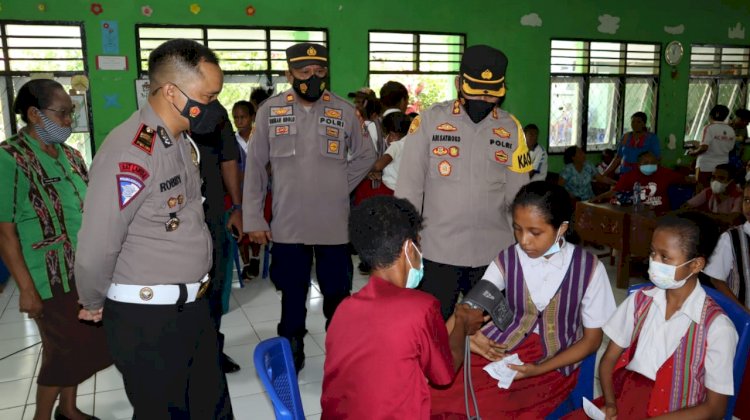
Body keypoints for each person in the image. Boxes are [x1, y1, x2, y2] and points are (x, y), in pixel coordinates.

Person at [75, 39, 233, 418]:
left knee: (212, 409)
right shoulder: (130, 153)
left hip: (192, 307)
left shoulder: (179, 140)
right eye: (207, 97)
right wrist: (93, 301)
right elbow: (97, 244)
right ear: (170, 91)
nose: (214, 107)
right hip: (149, 320)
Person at [430, 182, 617, 419]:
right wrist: (455, 336)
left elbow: (592, 341)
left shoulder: (589, 269)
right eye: (518, 229)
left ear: (561, 228)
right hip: (502, 346)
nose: (524, 241)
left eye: (535, 232)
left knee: (488, 407)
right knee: (438, 391)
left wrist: (538, 369)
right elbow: (469, 306)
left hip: (552, 362)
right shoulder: (509, 258)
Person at [243, 42, 376, 372]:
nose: (312, 79)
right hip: (288, 222)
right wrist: (254, 217)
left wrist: (336, 186)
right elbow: (256, 166)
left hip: (333, 222)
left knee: (337, 291)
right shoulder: (270, 111)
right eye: (304, 73)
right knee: (292, 291)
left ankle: (341, 346)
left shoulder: (344, 110)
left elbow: (365, 155)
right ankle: (292, 346)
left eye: (319, 72)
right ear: (289, 74)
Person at [396, 44, 533, 320]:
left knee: (494, 329)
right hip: (437, 252)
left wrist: (524, 245)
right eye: (477, 90)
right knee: (434, 329)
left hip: (493, 255)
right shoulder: (430, 121)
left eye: (490, 92)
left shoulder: (511, 129)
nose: (483, 98)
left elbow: (519, 196)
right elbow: (409, 187)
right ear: (460, 83)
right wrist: (407, 239)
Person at [0, 79, 111, 420]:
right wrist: (27, 290)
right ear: (34, 114)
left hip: (82, 270)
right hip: (47, 278)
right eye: (62, 114)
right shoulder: (10, 159)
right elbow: (5, 232)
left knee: (80, 347)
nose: (69, 121)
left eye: (70, 112)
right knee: (64, 351)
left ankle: (69, 408)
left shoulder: (72, 156)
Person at [321, 196, 485, 419]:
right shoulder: (420, 308)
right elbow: (443, 376)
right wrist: (462, 325)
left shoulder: (344, 309)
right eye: (419, 242)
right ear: (409, 248)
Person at [574, 213, 738, 419]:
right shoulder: (640, 301)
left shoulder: (717, 328)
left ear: (696, 265)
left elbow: (714, 409)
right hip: (627, 398)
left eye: (665, 257)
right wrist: (610, 403)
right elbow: (608, 360)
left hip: (679, 413)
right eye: (652, 253)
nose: (653, 262)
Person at [191, 107, 244, 374]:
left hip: (213, 216)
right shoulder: (163, 115)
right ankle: (188, 355)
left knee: (215, 285)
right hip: (176, 224)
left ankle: (212, 352)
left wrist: (237, 207)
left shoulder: (217, 113)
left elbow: (229, 161)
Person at [591, 151, 684, 214]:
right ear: (638, 164)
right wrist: (596, 199)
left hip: (662, 214)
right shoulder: (629, 176)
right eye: (646, 163)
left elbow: (686, 180)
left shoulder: (664, 172)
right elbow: (614, 192)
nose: (650, 165)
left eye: (653, 163)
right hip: (639, 214)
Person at [232, 100, 262, 280]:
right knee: (241, 228)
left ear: (251, 117)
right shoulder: (231, 142)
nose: (239, 121)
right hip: (240, 193)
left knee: (257, 225)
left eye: (243, 117)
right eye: (235, 118)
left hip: (260, 191)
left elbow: (270, 163)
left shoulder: (260, 139)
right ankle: (247, 262)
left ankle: (256, 257)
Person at [689, 105, 735, 188]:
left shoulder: (709, 128)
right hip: (722, 167)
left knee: (701, 191)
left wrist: (694, 152)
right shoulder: (731, 130)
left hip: (705, 166)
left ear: (710, 116)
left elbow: (704, 147)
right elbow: (730, 148)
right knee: (717, 191)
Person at [602, 112, 660, 177]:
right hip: (625, 173)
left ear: (644, 124)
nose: (635, 124)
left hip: (643, 174)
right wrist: (604, 173)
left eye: (638, 122)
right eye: (633, 122)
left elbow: (657, 158)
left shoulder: (651, 138)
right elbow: (617, 158)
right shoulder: (625, 137)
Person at [367, 111, 413, 193]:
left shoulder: (396, 146)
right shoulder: (414, 145)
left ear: (392, 135)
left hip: (390, 189)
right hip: (408, 190)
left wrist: (371, 171)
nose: (386, 138)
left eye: (386, 135)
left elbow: (378, 166)